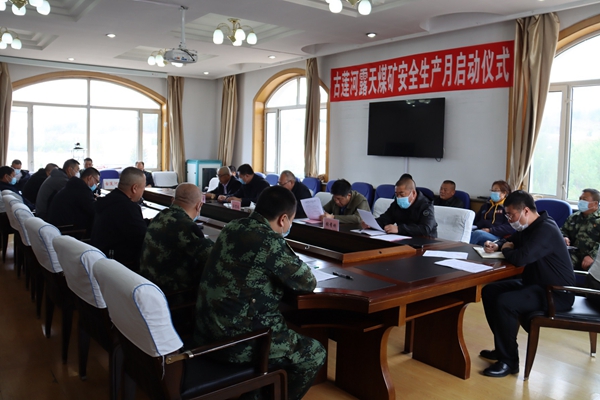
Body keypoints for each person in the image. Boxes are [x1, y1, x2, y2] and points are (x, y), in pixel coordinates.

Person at [195, 186, 326, 400]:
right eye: (291, 220)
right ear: (283, 219)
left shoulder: (233, 226)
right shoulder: (269, 240)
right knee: (314, 353)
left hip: (205, 330)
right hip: (236, 342)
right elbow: (307, 282)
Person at [479, 190, 575, 377]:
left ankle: (509, 362)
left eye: (511, 215)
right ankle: (503, 348)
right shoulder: (529, 226)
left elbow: (521, 258)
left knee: (505, 302)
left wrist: (506, 249)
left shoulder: (546, 229)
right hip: (535, 284)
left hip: (556, 293)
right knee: (490, 291)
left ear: (525, 211)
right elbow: (511, 241)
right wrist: (498, 244)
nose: (509, 220)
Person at [139, 183, 213, 298]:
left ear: (173, 200)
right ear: (199, 206)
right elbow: (213, 257)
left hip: (148, 286)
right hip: (173, 294)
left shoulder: (160, 215)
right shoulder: (186, 226)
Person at [91, 167, 149, 271]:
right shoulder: (128, 207)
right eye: (143, 187)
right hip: (117, 264)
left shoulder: (108, 199)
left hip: (100, 257)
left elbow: (128, 224)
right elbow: (143, 238)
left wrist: (149, 222)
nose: (143, 192)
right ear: (134, 188)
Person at [369, 175, 438, 237]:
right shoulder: (397, 203)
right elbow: (385, 219)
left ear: (413, 193)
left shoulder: (426, 206)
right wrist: (371, 224)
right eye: (396, 194)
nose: (399, 197)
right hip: (404, 239)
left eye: (402, 194)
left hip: (425, 242)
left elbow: (425, 229)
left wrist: (399, 229)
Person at [47, 167, 99, 236]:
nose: (96, 185)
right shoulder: (82, 191)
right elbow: (94, 210)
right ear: (90, 177)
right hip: (69, 231)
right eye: (96, 181)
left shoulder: (73, 186)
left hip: (57, 228)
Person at [560, 188, 600, 271]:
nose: (581, 202)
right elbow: (563, 231)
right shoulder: (574, 217)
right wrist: (564, 237)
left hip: (594, 258)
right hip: (573, 255)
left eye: (584, 199)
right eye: (580, 199)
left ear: (595, 203)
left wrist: (592, 256)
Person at [470, 180, 514, 245]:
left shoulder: (507, 207)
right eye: (492, 190)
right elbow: (476, 221)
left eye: (495, 191)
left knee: (478, 234)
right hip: (481, 231)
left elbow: (509, 227)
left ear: (504, 193)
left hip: (497, 235)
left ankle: (463, 248)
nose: (493, 193)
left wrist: (490, 230)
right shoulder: (486, 206)